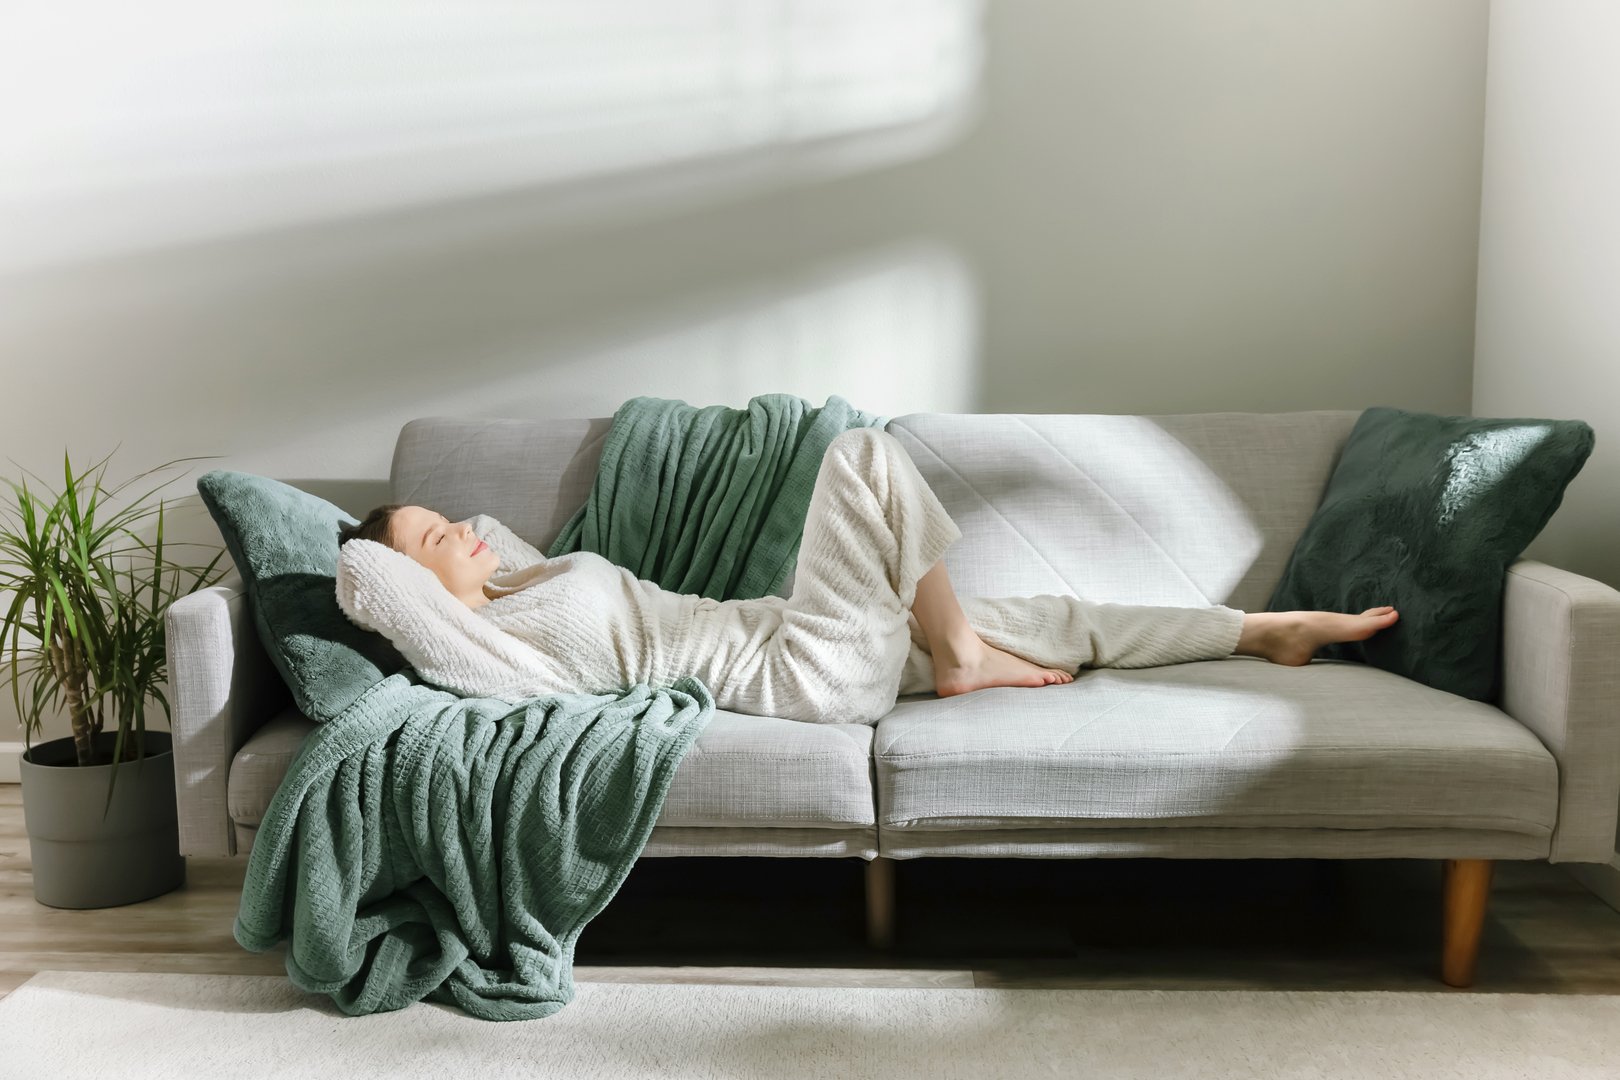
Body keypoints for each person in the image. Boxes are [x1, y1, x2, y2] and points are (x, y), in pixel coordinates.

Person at [335, 427, 1399, 725]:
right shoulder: (488, 652)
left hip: (795, 630)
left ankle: (1262, 630)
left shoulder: (516, 587)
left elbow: (483, 541)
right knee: (862, 454)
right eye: (439, 541)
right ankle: (965, 655)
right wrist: (388, 551)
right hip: (801, 672)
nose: (470, 533)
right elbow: (373, 585)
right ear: (416, 594)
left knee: (1055, 614)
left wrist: (439, 540)